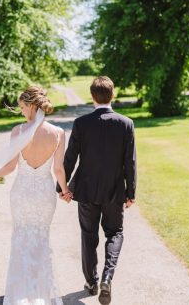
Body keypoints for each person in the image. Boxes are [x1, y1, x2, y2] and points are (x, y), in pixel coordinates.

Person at [0, 86, 72, 305]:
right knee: (41, 241)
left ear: (33, 105)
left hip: (22, 194)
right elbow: (58, 170)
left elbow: (10, 166)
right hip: (44, 195)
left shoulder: (18, 132)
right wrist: (65, 190)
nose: (22, 111)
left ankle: (19, 295)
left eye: (23, 107)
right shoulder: (58, 133)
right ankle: (39, 294)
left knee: (21, 240)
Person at [57, 76, 137, 305]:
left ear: (92, 97)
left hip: (87, 190)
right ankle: (107, 277)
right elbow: (129, 162)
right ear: (113, 95)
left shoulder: (81, 123)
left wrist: (62, 188)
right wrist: (131, 192)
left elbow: (70, 158)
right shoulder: (125, 123)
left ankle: (91, 282)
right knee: (115, 233)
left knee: (88, 235)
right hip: (114, 191)